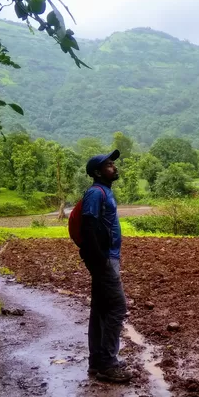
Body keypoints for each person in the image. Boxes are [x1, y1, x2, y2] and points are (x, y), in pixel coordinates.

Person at [80, 150, 132, 383]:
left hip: (107, 257)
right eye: (109, 165)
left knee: (101, 309)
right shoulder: (95, 193)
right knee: (117, 307)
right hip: (104, 259)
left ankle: (96, 362)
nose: (114, 167)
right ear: (98, 172)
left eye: (113, 164)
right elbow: (88, 227)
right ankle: (108, 365)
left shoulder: (105, 191)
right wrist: (100, 260)